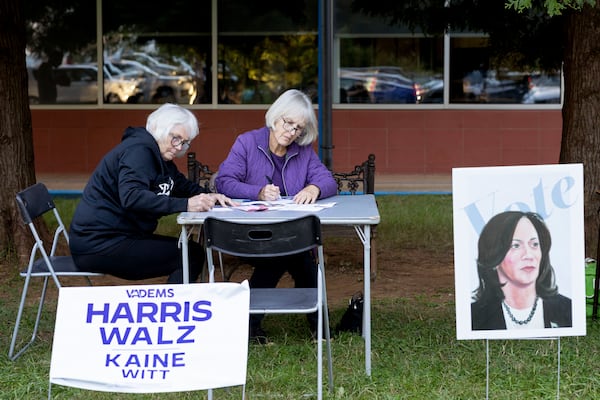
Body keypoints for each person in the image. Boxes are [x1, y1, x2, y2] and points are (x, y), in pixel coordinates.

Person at [215, 88, 338, 342]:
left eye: (298, 128)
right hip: (247, 234)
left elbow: (328, 181)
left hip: (287, 233)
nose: (291, 132)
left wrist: (315, 187)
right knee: (289, 254)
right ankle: (318, 327)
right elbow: (224, 181)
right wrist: (257, 192)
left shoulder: (303, 150)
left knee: (296, 254)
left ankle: (253, 326)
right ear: (275, 116)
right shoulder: (247, 142)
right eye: (288, 123)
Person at [69, 103, 236, 284]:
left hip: (120, 237)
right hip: (99, 244)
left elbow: (180, 185)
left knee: (191, 252)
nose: (179, 147)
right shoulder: (138, 151)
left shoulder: (159, 156)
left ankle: (174, 306)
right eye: (176, 138)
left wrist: (209, 196)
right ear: (159, 129)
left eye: (185, 142)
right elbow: (132, 197)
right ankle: (173, 308)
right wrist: (186, 204)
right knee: (190, 255)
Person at [471, 211, 572, 330]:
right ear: (493, 255)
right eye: (516, 246)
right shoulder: (475, 316)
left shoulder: (568, 309)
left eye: (534, 244)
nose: (528, 255)